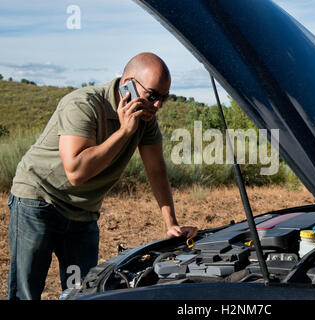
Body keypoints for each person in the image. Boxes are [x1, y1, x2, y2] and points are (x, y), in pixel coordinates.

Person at [7, 52, 197, 300]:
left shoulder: (145, 116)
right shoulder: (83, 104)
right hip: (39, 200)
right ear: (128, 82)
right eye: (153, 95)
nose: (158, 105)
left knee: (82, 292)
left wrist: (170, 222)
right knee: (26, 291)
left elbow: (156, 169)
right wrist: (124, 131)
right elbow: (76, 172)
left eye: (164, 98)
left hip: (83, 212)